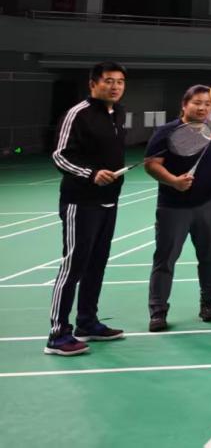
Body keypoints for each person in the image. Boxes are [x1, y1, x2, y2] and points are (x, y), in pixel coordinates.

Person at [45, 61, 129, 356]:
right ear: (93, 84)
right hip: (80, 202)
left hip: (109, 200)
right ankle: (57, 334)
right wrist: (91, 174)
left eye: (120, 81)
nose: (115, 86)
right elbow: (60, 155)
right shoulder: (77, 114)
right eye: (109, 81)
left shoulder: (118, 113)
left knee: (97, 263)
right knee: (74, 265)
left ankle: (87, 322)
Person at [145, 85, 211, 331]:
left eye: (208, 104)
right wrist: (173, 181)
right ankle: (158, 311)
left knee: (209, 255)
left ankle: (208, 303)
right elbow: (152, 164)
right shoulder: (167, 131)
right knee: (165, 259)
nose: (202, 108)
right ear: (184, 105)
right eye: (197, 103)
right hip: (172, 207)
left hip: (209, 204)